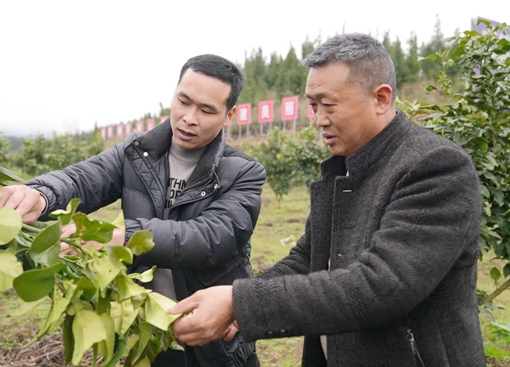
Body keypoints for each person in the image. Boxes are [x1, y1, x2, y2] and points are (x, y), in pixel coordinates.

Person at [169, 33, 486, 367]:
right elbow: (309, 258)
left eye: (328, 105)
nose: (318, 120)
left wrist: (240, 302)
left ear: (380, 98)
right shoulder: (345, 170)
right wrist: (240, 304)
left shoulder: (434, 167)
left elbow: (381, 287)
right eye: (312, 105)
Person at [0, 54, 264, 367]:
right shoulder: (136, 153)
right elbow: (83, 179)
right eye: (184, 101)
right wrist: (41, 194)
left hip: (214, 330)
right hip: (147, 330)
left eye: (206, 110)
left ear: (229, 115)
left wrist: (124, 238)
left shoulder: (243, 172)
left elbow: (213, 237)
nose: (190, 117)